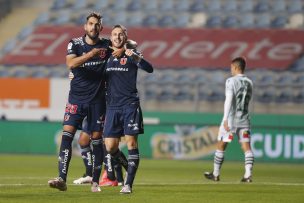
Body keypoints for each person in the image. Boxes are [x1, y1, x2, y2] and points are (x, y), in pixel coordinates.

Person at [48, 12, 124, 193]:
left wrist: (127, 49)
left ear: (101, 28)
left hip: (97, 101)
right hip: (76, 99)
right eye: (91, 24)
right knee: (67, 135)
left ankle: (96, 182)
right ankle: (62, 178)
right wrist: (91, 54)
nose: (93, 27)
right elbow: (70, 63)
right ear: (85, 26)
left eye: (97, 24)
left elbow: (122, 48)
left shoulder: (106, 45)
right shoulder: (74, 43)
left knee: (97, 141)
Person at [103, 24, 153, 194]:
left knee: (131, 143)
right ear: (111, 37)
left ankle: (128, 184)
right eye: (114, 34)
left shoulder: (132, 55)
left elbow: (149, 68)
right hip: (112, 107)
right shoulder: (106, 55)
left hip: (130, 105)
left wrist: (134, 55)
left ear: (125, 37)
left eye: (120, 34)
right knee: (110, 147)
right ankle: (128, 169)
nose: (117, 37)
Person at [204, 57, 254, 183]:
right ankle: (248, 175)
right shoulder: (249, 82)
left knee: (222, 144)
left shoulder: (230, 81)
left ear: (236, 67)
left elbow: (228, 100)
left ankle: (215, 174)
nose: (231, 70)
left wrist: (225, 119)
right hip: (244, 120)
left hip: (231, 120)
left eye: (232, 67)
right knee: (246, 146)